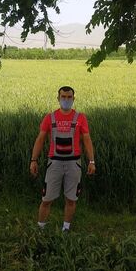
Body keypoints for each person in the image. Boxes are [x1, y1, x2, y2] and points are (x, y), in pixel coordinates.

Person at [30, 86, 95, 232]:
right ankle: (40, 230)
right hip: (54, 163)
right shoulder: (49, 118)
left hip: (74, 163)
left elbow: (87, 139)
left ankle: (65, 230)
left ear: (73, 99)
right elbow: (40, 139)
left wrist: (92, 161)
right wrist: (33, 160)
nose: (66, 100)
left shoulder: (80, 118)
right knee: (47, 199)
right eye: (63, 97)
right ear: (58, 98)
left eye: (69, 97)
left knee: (71, 199)